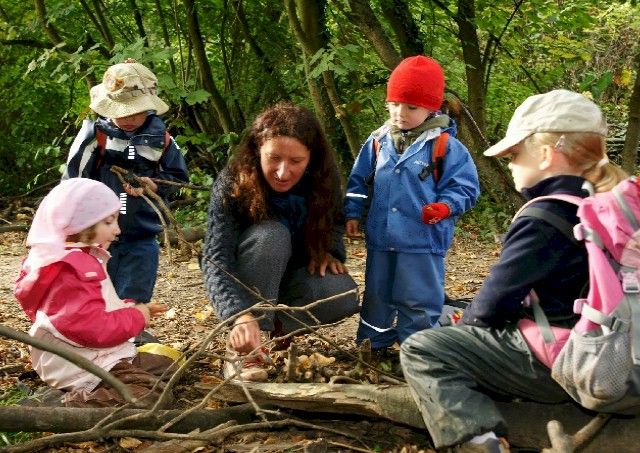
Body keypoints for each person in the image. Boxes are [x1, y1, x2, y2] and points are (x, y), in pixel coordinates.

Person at [400, 89, 628, 452]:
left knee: (424, 348)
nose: (509, 164)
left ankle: (481, 442)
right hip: (622, 356)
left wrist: (463, 328)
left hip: (572, 362)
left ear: (544, 154)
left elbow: (491, 306)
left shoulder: (546, 216)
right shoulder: (612, 205)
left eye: (514, 155)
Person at [201, 102, 359, 382]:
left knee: (342, 292)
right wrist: (239, 314)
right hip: (248, 281)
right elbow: (215, 260)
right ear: (257, 150)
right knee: (271, 235)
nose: (283, 172)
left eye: (296, 162)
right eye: (273, 158)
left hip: (293, 282)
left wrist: (329, 250)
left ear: (311, 158)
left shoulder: (324, 178)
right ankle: (243, 348)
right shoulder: (232, 182)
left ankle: (277, 331)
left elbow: (334, 219)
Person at [344, 55, 480, 351]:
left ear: (432, 107)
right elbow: (359, 181)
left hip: (422, 240)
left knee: (419, 298)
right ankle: (372, 346)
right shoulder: (378, 141)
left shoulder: (445, 146)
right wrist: (353, 213)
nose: (399, 113)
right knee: (378, 295)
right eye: (393, 104)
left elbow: (466, 187)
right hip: (381, 238)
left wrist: (445, 206)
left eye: (410, 107)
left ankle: (418, 352)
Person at [14, 178, 177, 408]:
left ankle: (100, 386)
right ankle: (60, 406)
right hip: (79, 362)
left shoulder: (77, 257)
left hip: (91, 353)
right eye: (109, 222)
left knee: (168, 365)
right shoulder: (72, 267)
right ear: (81, 223)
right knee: (152, 397)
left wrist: (131, 308)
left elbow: (94, 305)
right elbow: (91, 328)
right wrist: (137, 316)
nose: (118, 230)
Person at [63, 59, 189, 311]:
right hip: (96, 236)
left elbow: (177, 178)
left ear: (149, 108)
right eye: (121, 113)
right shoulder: (94, 137)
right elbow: (72, 184)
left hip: (142, 234)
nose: (128, 119)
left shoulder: (161, 140)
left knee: (135, 295)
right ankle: (95, 340)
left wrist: (153, 186)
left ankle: (131, 337)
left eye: (135, 112)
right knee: (96, 295)